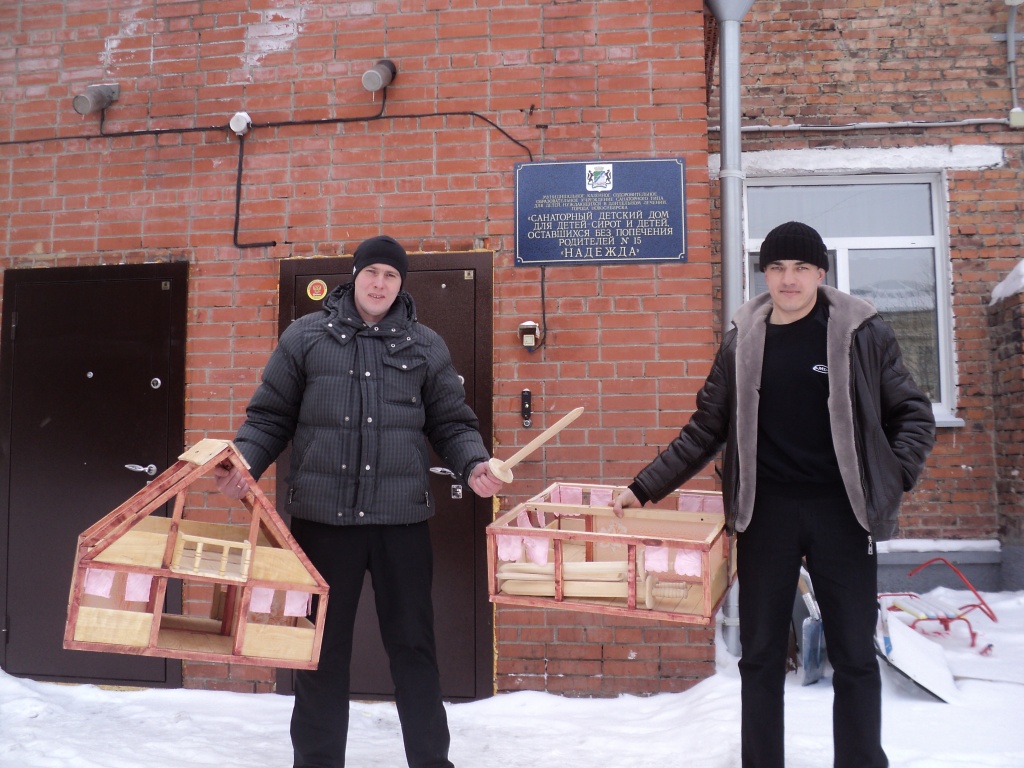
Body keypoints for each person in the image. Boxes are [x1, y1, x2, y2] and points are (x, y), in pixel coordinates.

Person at [613, 221, 935, 768]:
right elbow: (705, 429)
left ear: (820, 273)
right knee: (760, 658)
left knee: (854, 656)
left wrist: (892, 476)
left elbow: (913, 414)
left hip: (843, 513)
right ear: (764, 273)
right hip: (766, 515)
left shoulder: (860, 333)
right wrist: (644, 487)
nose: (789, 279)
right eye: (778, 267)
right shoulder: (743, 341)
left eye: (801, 268)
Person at [214, 234, 505, 768]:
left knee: (414, 647)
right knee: (319, 651)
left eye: (391, 275)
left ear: (401, 284)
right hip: (324, 522)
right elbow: (270, 416)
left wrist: (473, 464)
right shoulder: (306, 337)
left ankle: (431, 762)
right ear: (354, 276)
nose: (379, 283)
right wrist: (245, 464)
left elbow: (451, 422)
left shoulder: (425, 345)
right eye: (372, 272)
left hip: (401, 523)